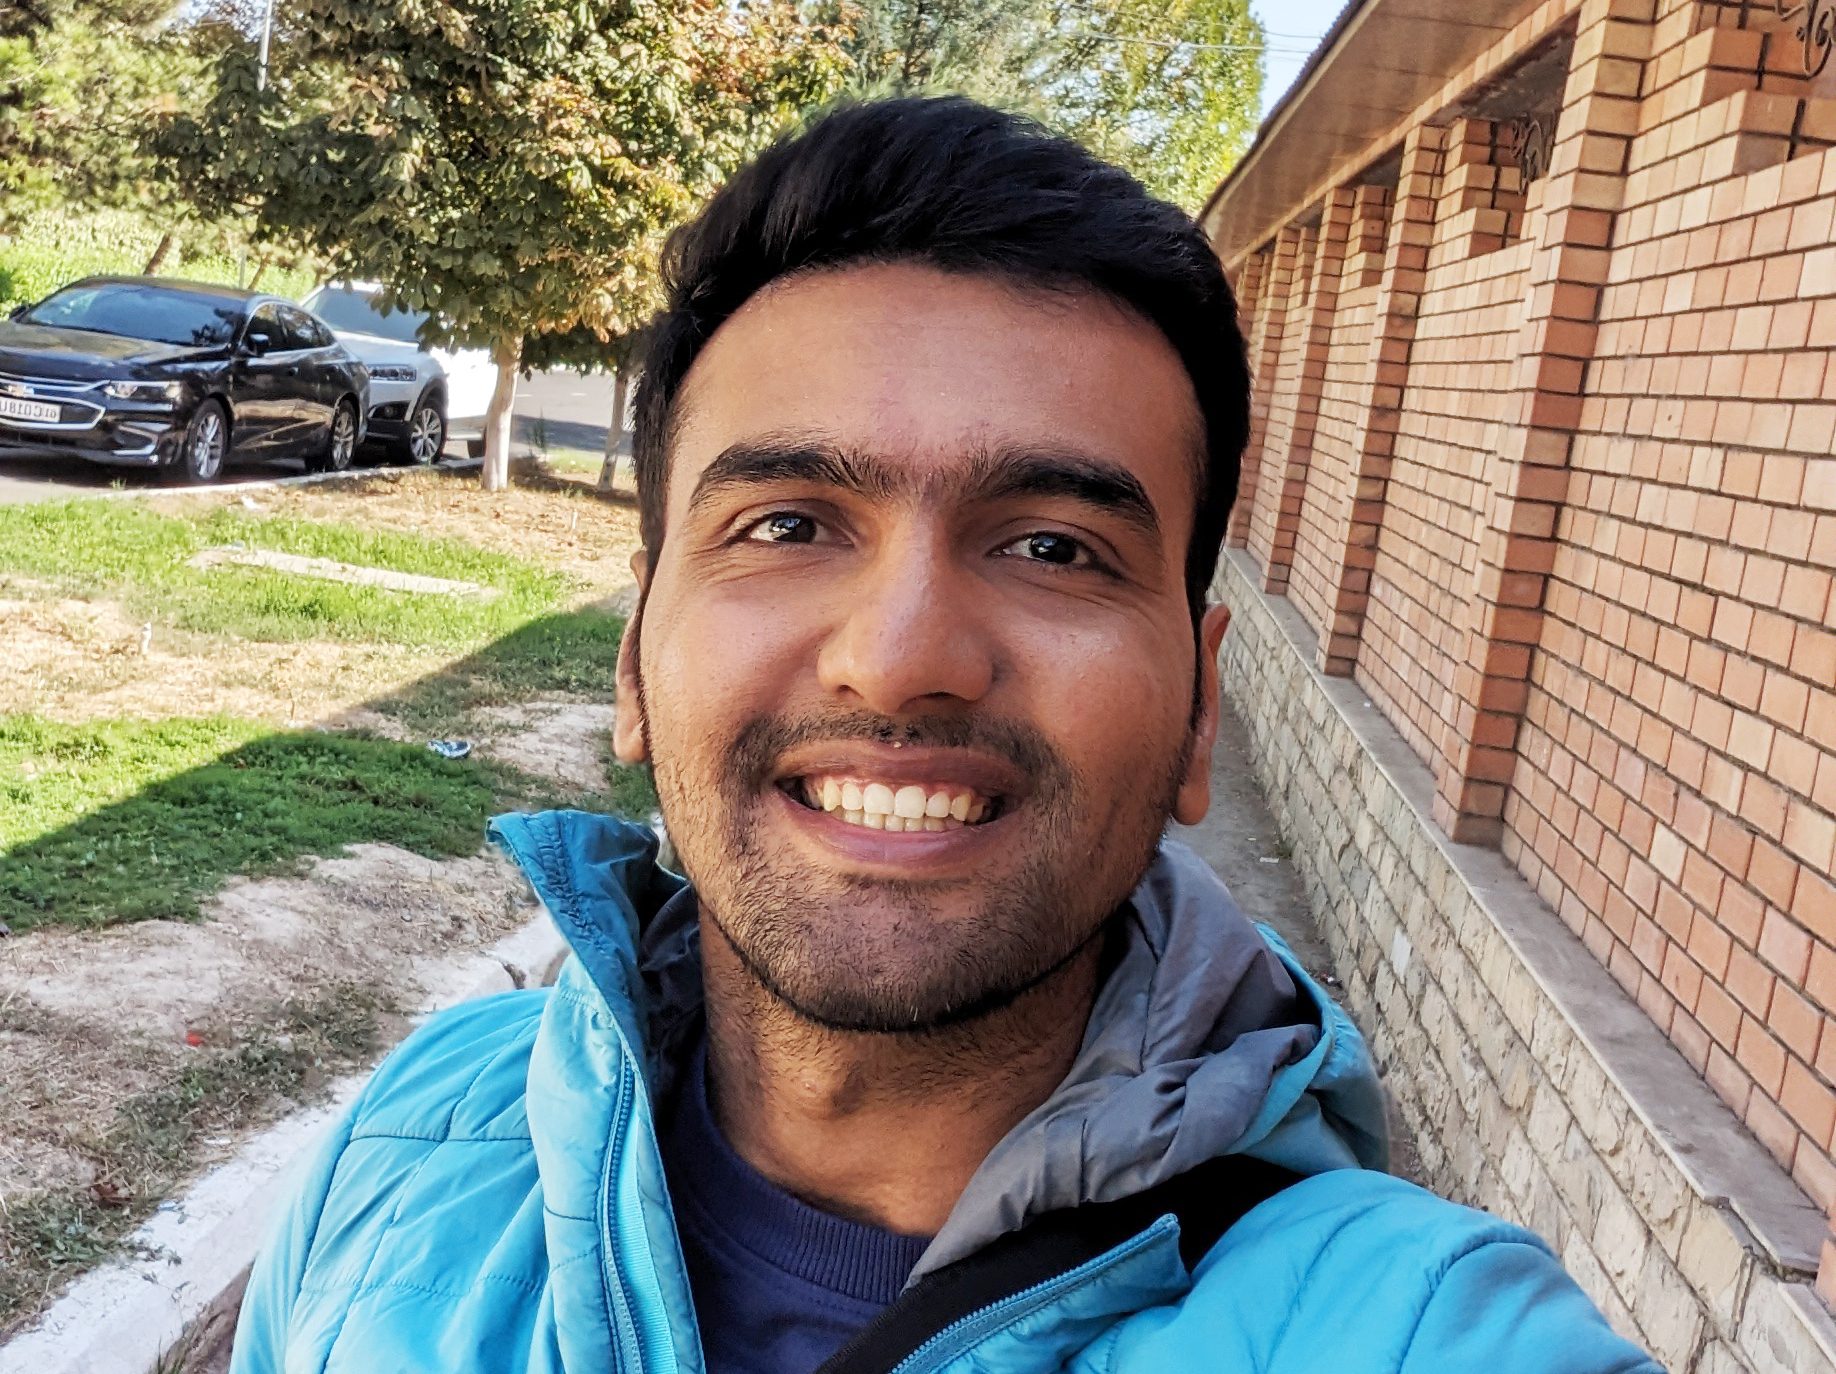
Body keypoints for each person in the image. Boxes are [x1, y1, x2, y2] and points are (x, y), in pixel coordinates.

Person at [230, 97, 1658, 1374]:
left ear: (1201, 706)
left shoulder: (1420, 1327)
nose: (903, 657)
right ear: (634, 661)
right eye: (785, 524)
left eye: (1053, 545)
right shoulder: (420, 1131)